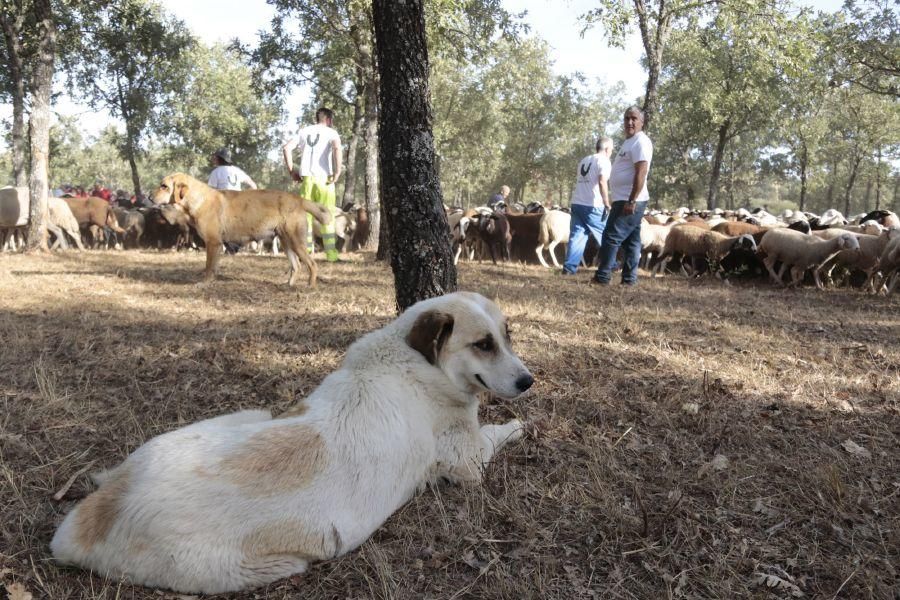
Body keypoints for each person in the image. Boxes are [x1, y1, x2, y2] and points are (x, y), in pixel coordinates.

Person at [592, 106, 653, 286]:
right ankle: (629, 279)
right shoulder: (629, 142)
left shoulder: (641, 142)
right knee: (632, 242)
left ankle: (602, 277)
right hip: (623, 198)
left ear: (642, 122)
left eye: (634, 118)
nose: (629, 122)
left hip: (631, 199)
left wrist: (632, 200)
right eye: (627, 118)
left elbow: (641, 172)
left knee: (611, 237)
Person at [281, 107, 342, 262]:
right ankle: (331, 255)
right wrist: (337, 171)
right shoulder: (331, 132)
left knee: (305, 217)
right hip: (325, 180)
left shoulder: (304, 131)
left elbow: (287, 148)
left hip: (307, 180)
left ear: (317, 118)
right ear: (329, 119)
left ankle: (305, 252)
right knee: (327, 215)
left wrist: (291, 171)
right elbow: (336, 148)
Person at [562, 136, 613, 274]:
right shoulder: (604, 161)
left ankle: (569, 268)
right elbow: (602, 182)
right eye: (612, 149)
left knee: (577, 237)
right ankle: (612, 264)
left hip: (577, 203)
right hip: (593, 205)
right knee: (606, 234)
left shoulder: (584, 160)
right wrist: (607, 203)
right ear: (607, 149)